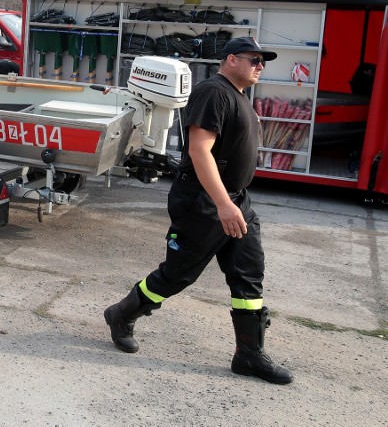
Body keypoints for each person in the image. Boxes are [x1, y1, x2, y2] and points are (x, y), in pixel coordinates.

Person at [103, 36, 293, 385]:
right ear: (231, 59)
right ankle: (121, 314)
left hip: (236, 200)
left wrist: (233, 201)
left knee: (249, 273)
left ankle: (248, 355)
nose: (260, 66)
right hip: (204, 201)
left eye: (263, 61)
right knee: (177, 276)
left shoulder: (237, 96)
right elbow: (200, 151)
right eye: (254, 59)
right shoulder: (213, 92)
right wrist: (222, 204)